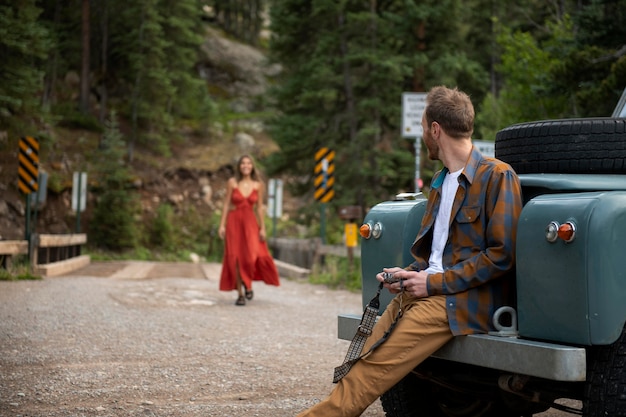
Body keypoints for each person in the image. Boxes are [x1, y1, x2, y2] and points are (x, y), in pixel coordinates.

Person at [296, 86, 523, 416]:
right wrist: (411, 274)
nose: (423, 135)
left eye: (422, 127)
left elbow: (501, 255)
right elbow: (437, 258)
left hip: (465, 301)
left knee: (379, 363)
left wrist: (430, 284)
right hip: (431, 293)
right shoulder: (441, 181)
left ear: (435, 130)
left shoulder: (498, 176)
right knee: (367, 351)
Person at [218, 155, 280, 306]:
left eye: (248, 163)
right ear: (239, 166)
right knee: (236, 258)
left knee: (251, 256)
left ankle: (248, 283)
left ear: (252, 166)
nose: (246, 166)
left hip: (251, 223)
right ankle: (240, 294)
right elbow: (226, 204)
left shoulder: (258, 185)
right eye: (243, 163)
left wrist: (263, 228)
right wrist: (222, 225)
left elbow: (259, 208)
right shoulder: (232, 183)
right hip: (234, 222)